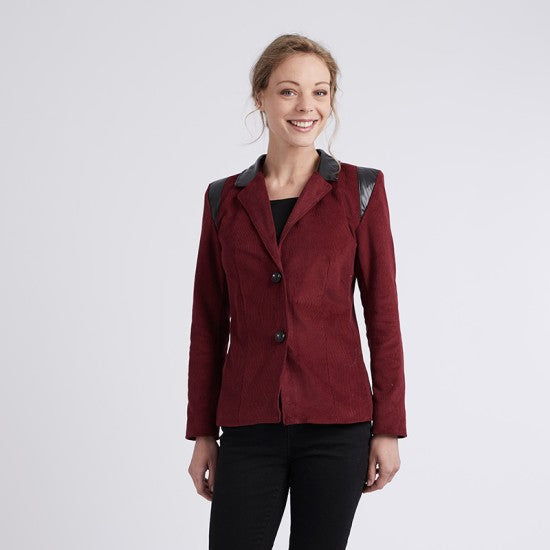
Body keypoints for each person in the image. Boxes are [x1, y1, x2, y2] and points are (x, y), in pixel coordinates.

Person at [186, 33, 407, 550]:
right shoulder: (223, 199)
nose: (307, 106)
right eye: (289, 91)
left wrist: (388, 427)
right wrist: (203, 432)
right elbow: (207, 324)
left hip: (338, 424)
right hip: (248, 425)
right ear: (260, 97)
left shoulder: (360, 190)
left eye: (320, 92)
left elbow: (383, 316)